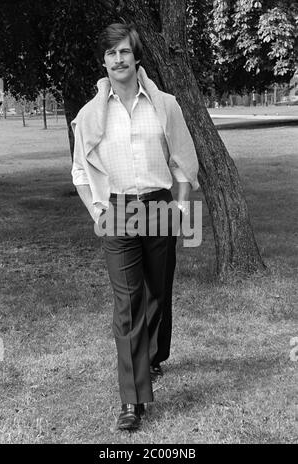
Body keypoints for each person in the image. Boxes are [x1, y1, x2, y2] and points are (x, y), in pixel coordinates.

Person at [71, 23, 199, 431]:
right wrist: (98, 211)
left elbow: (182, 162)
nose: (119, 59)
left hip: (159, 206)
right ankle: (132, 399)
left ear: (136, 56)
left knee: (158, 292)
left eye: (125, 51)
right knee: (127, 304)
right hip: (117, 212)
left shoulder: (165, 105)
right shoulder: (90, 115)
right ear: (103, 61)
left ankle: (154, 357)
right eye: (111, 53)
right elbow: (79, 171)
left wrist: (179, 209)